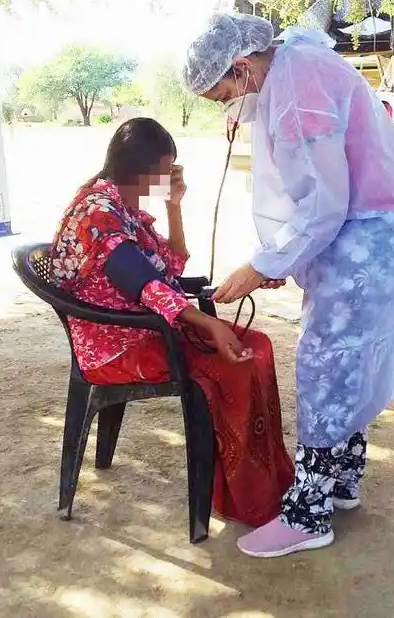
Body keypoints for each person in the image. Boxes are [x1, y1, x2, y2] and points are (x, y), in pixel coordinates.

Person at [183, 14, 394, 557]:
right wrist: (278, 260)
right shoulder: (297, 66)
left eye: (222, 94)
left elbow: (323, 202)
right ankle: (341, 481)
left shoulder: (296, 84)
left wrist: (264, 263)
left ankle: (309, 514)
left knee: (327, 365)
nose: (227, 107)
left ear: (241, 67)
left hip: (363, 236)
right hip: (369, 235)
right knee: (351, 361)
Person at [50, 118, 294, 527]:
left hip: (149, 327)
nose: (173, 174)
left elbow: (172, 266)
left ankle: (272, 480)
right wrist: (205, 323)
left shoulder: (126, 209)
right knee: (233, 365)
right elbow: (142, 282)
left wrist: (173, 205)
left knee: (260, 346)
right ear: (142, 170)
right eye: (168, 168)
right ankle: (250, 500)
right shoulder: (97, 212)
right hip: (117, 346)